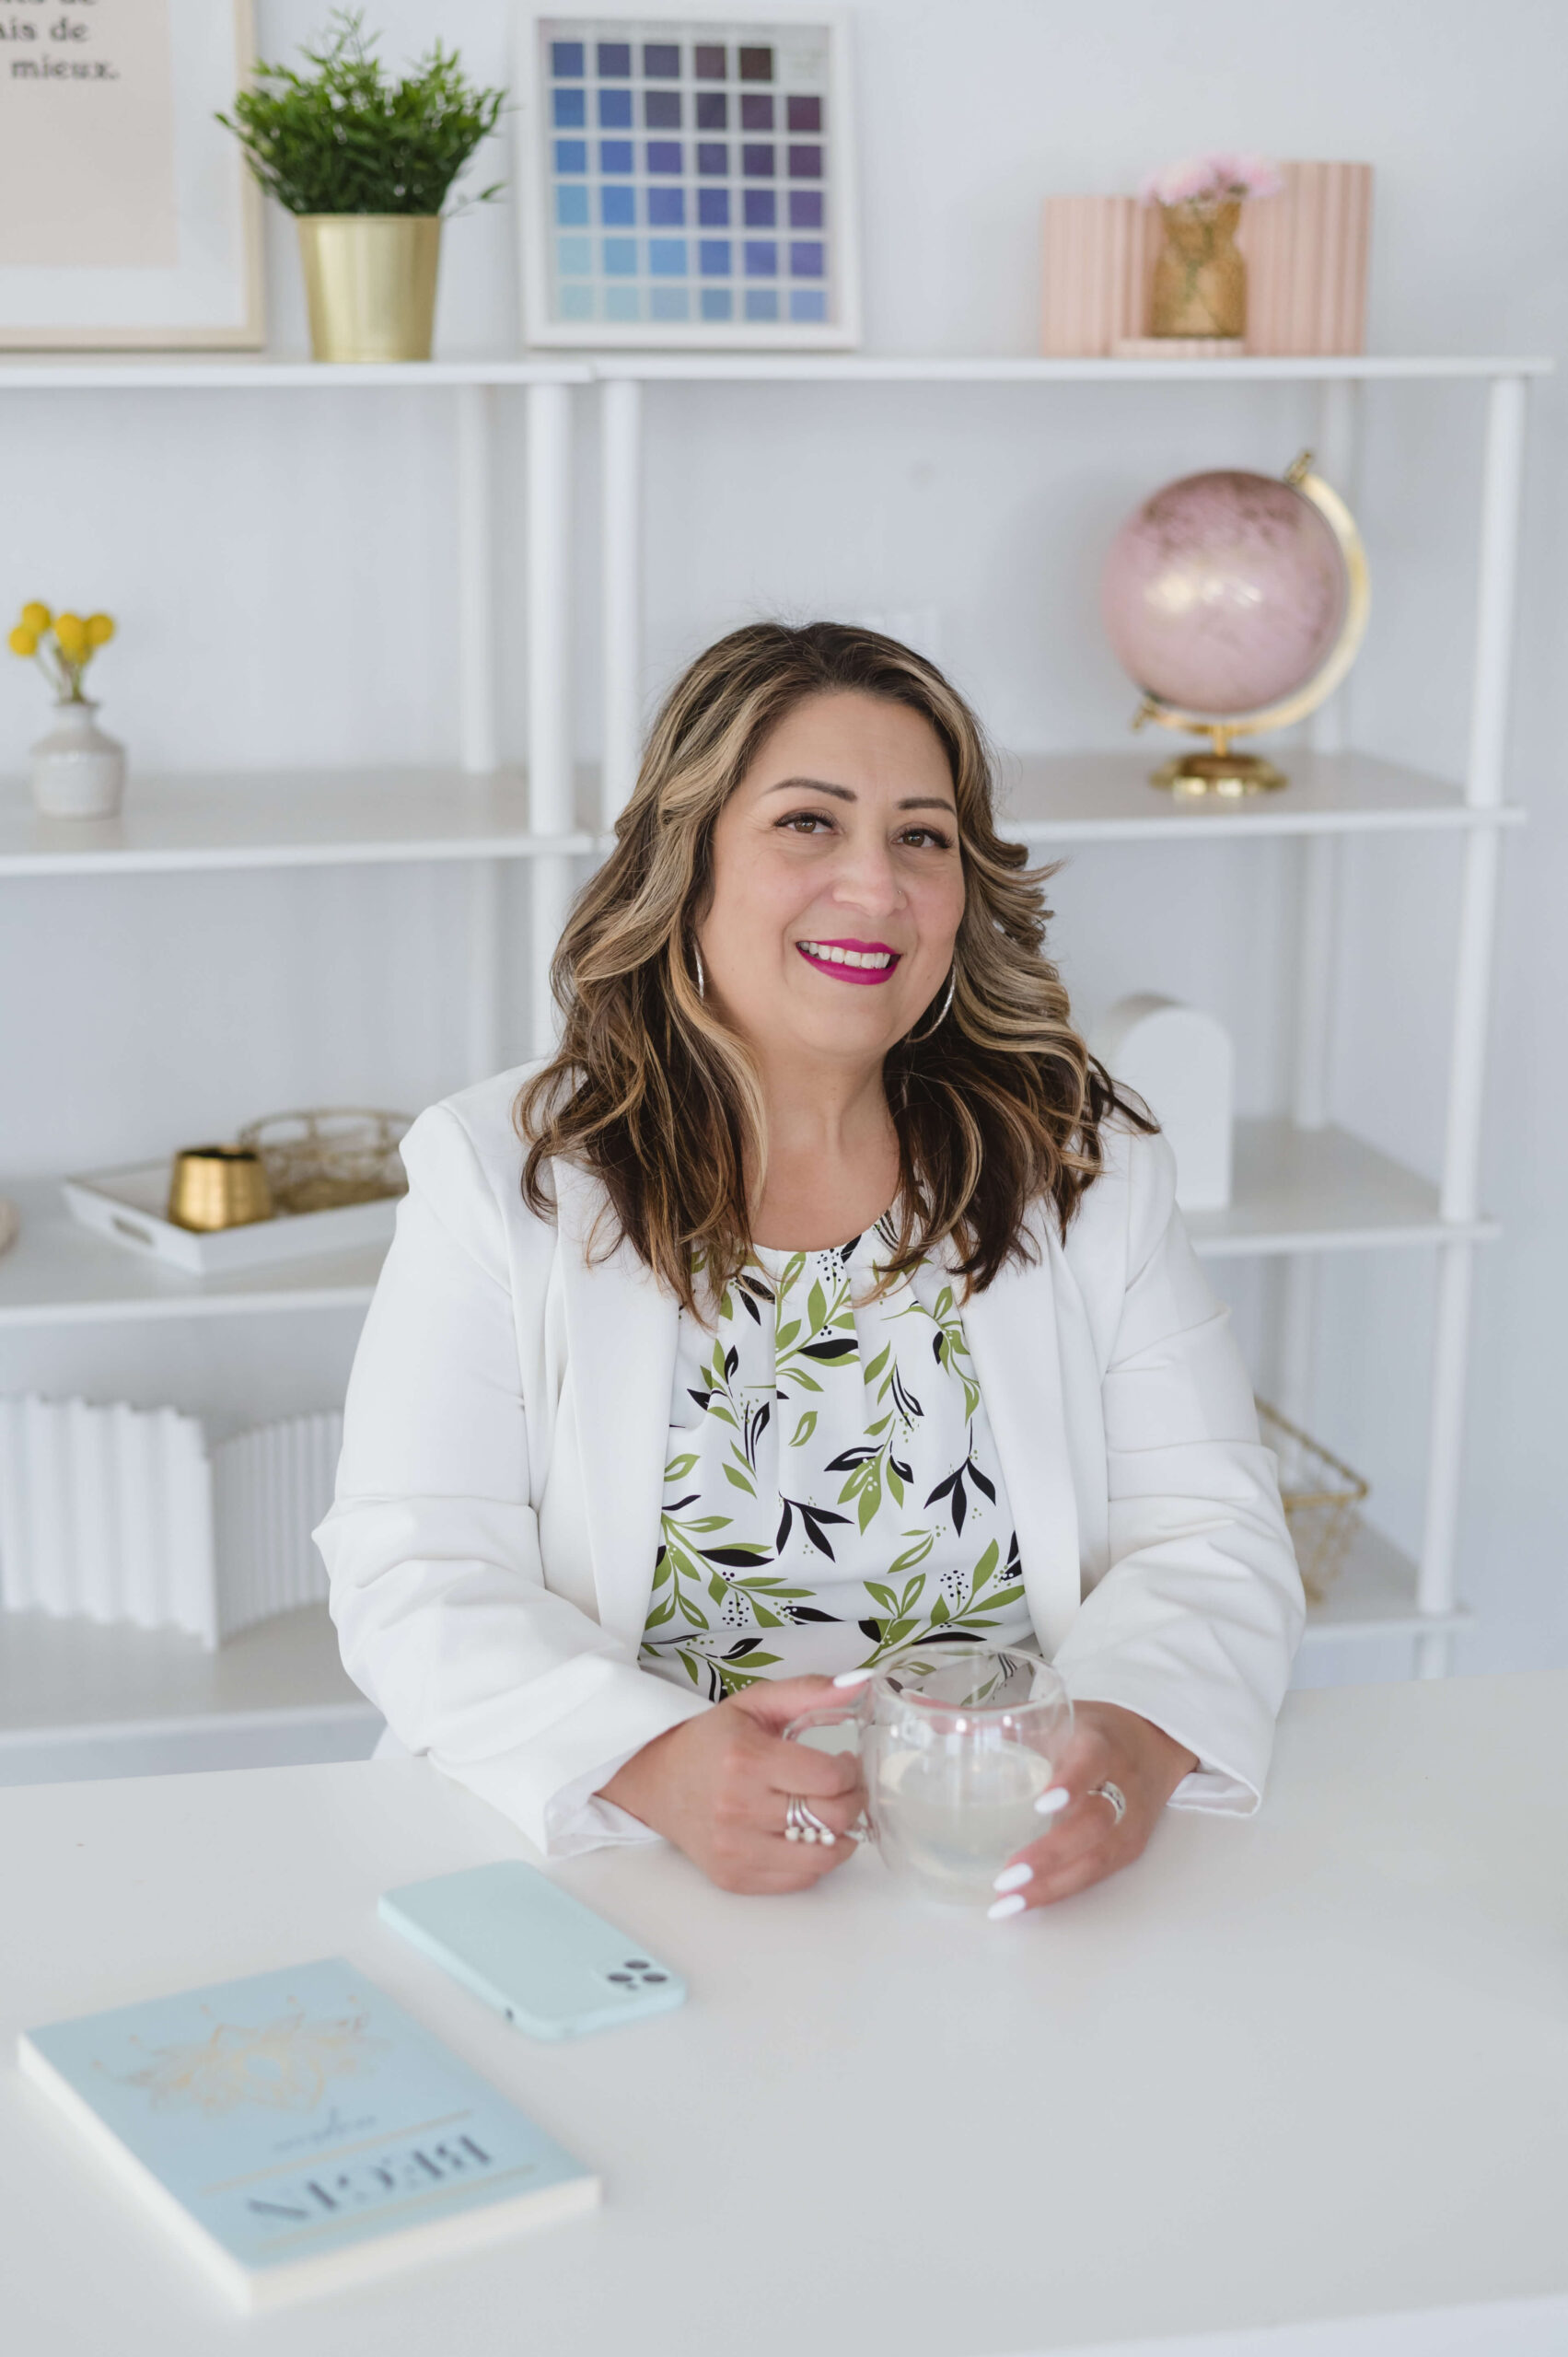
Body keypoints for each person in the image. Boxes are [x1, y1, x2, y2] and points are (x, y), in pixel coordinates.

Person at [317, 622, 1303, 1920]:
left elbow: (1213, 1535)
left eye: (922, 837)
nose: (876, 886)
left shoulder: (1083, 1163)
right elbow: (412, 1572)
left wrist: (1124, 1747)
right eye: (806, 824)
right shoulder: (503, 1173)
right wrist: (656, 1760)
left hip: (991, 1869)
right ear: (692, 863)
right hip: (628, 1872)